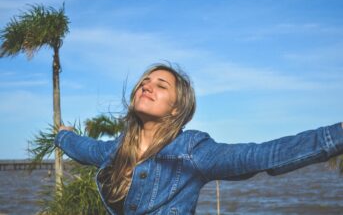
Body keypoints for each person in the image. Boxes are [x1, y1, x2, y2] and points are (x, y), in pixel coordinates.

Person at [55, 63, 343, 215]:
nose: (147, 86)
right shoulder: (116, 150)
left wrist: (335, 135)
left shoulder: (192, 151)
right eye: (145, 81)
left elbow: (262, 155)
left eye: (161, 85)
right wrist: (63, 136)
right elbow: (83, 147)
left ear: (176, 108)